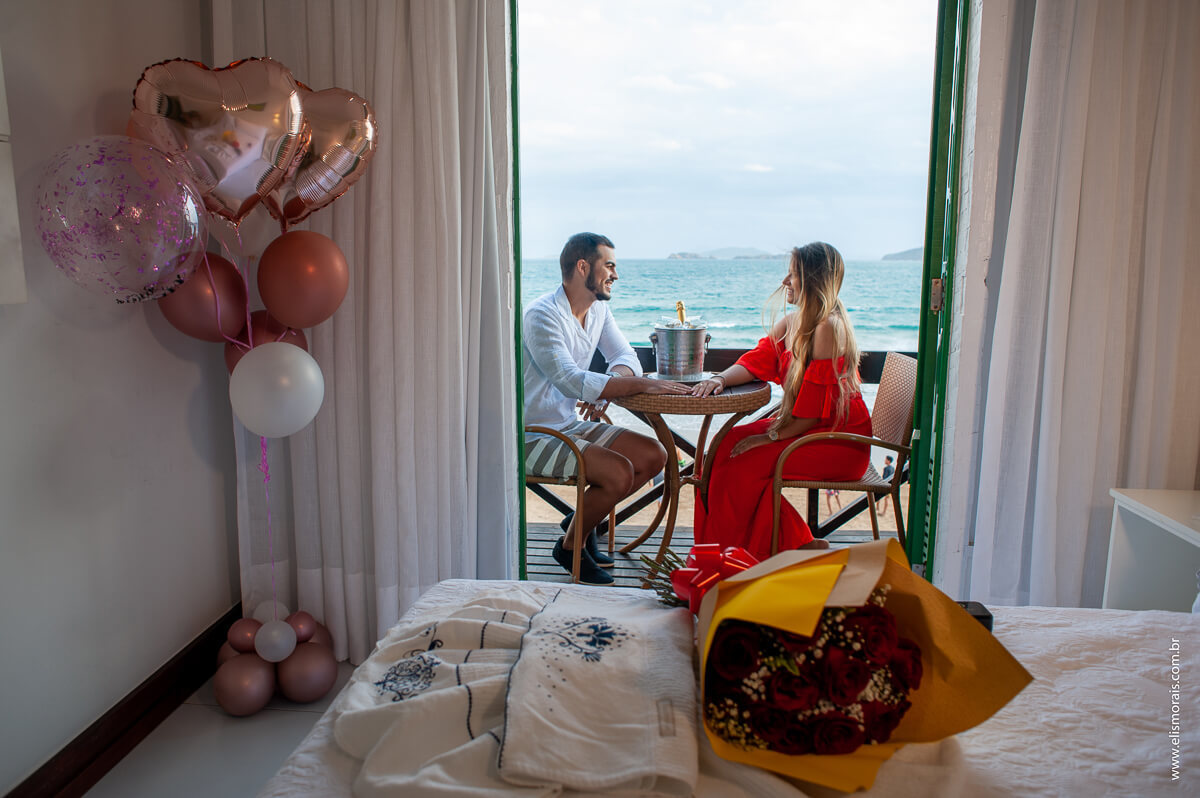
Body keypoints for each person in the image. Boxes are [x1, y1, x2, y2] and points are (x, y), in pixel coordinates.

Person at [523, 232, 691, 584]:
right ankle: (570, 547)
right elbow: (569, 380)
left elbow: (626, 356)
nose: (615, 274)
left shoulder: (598, 309)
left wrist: (609, 383)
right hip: (531, 434)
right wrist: (642, 384)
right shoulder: (542, 315)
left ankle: (580, 522)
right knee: (618, 473)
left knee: (654, 455)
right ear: (583, 267)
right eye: (609, 266)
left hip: (568, 423)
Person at [690, 242, 872, 560]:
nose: (785, 281)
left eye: (793, 274)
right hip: (803, 427)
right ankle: (736, 550)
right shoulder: (792, 323)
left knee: (743, 465)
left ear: (813, 280)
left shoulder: (828, 328)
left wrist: (767, 437)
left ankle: (739, 558)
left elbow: (812, 414)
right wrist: (720, 380)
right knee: (721, 448)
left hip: (837, 440)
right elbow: (756, 361)